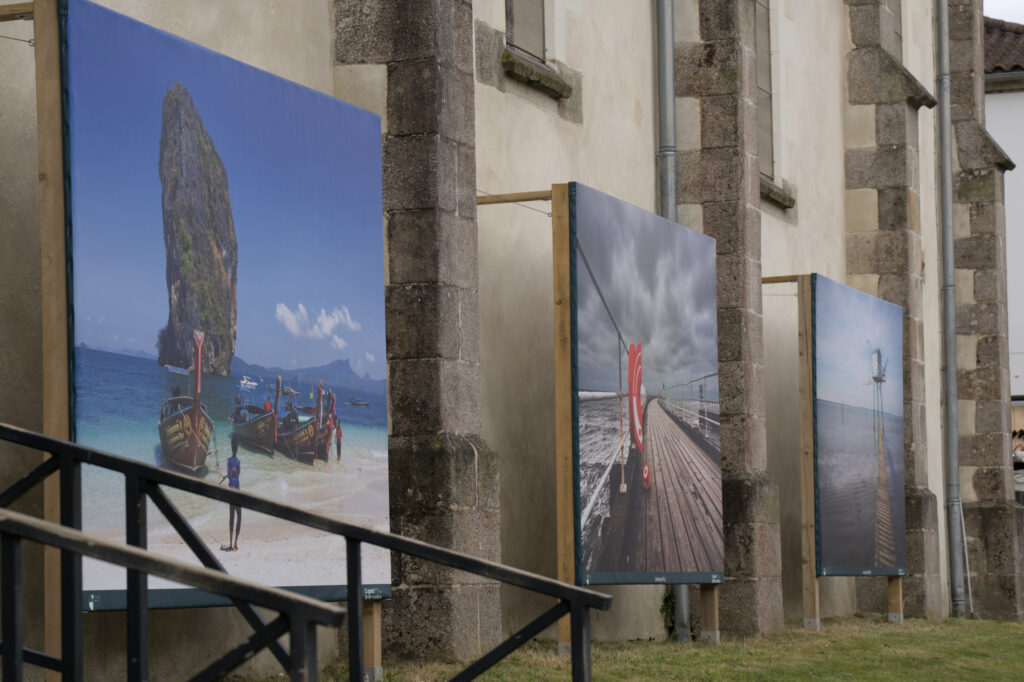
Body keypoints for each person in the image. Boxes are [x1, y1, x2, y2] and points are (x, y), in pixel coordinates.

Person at [220, 435, 242, 551]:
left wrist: (226, 476)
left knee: (231, 518)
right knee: (239, 518)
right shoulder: (238, 462)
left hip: (230, 494)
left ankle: (229, 544)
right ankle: (235, 544)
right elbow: (237, 474)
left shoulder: (228, 461)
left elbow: (229, 474)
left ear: (231, 448)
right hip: (238, 493)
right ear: (237, 449)